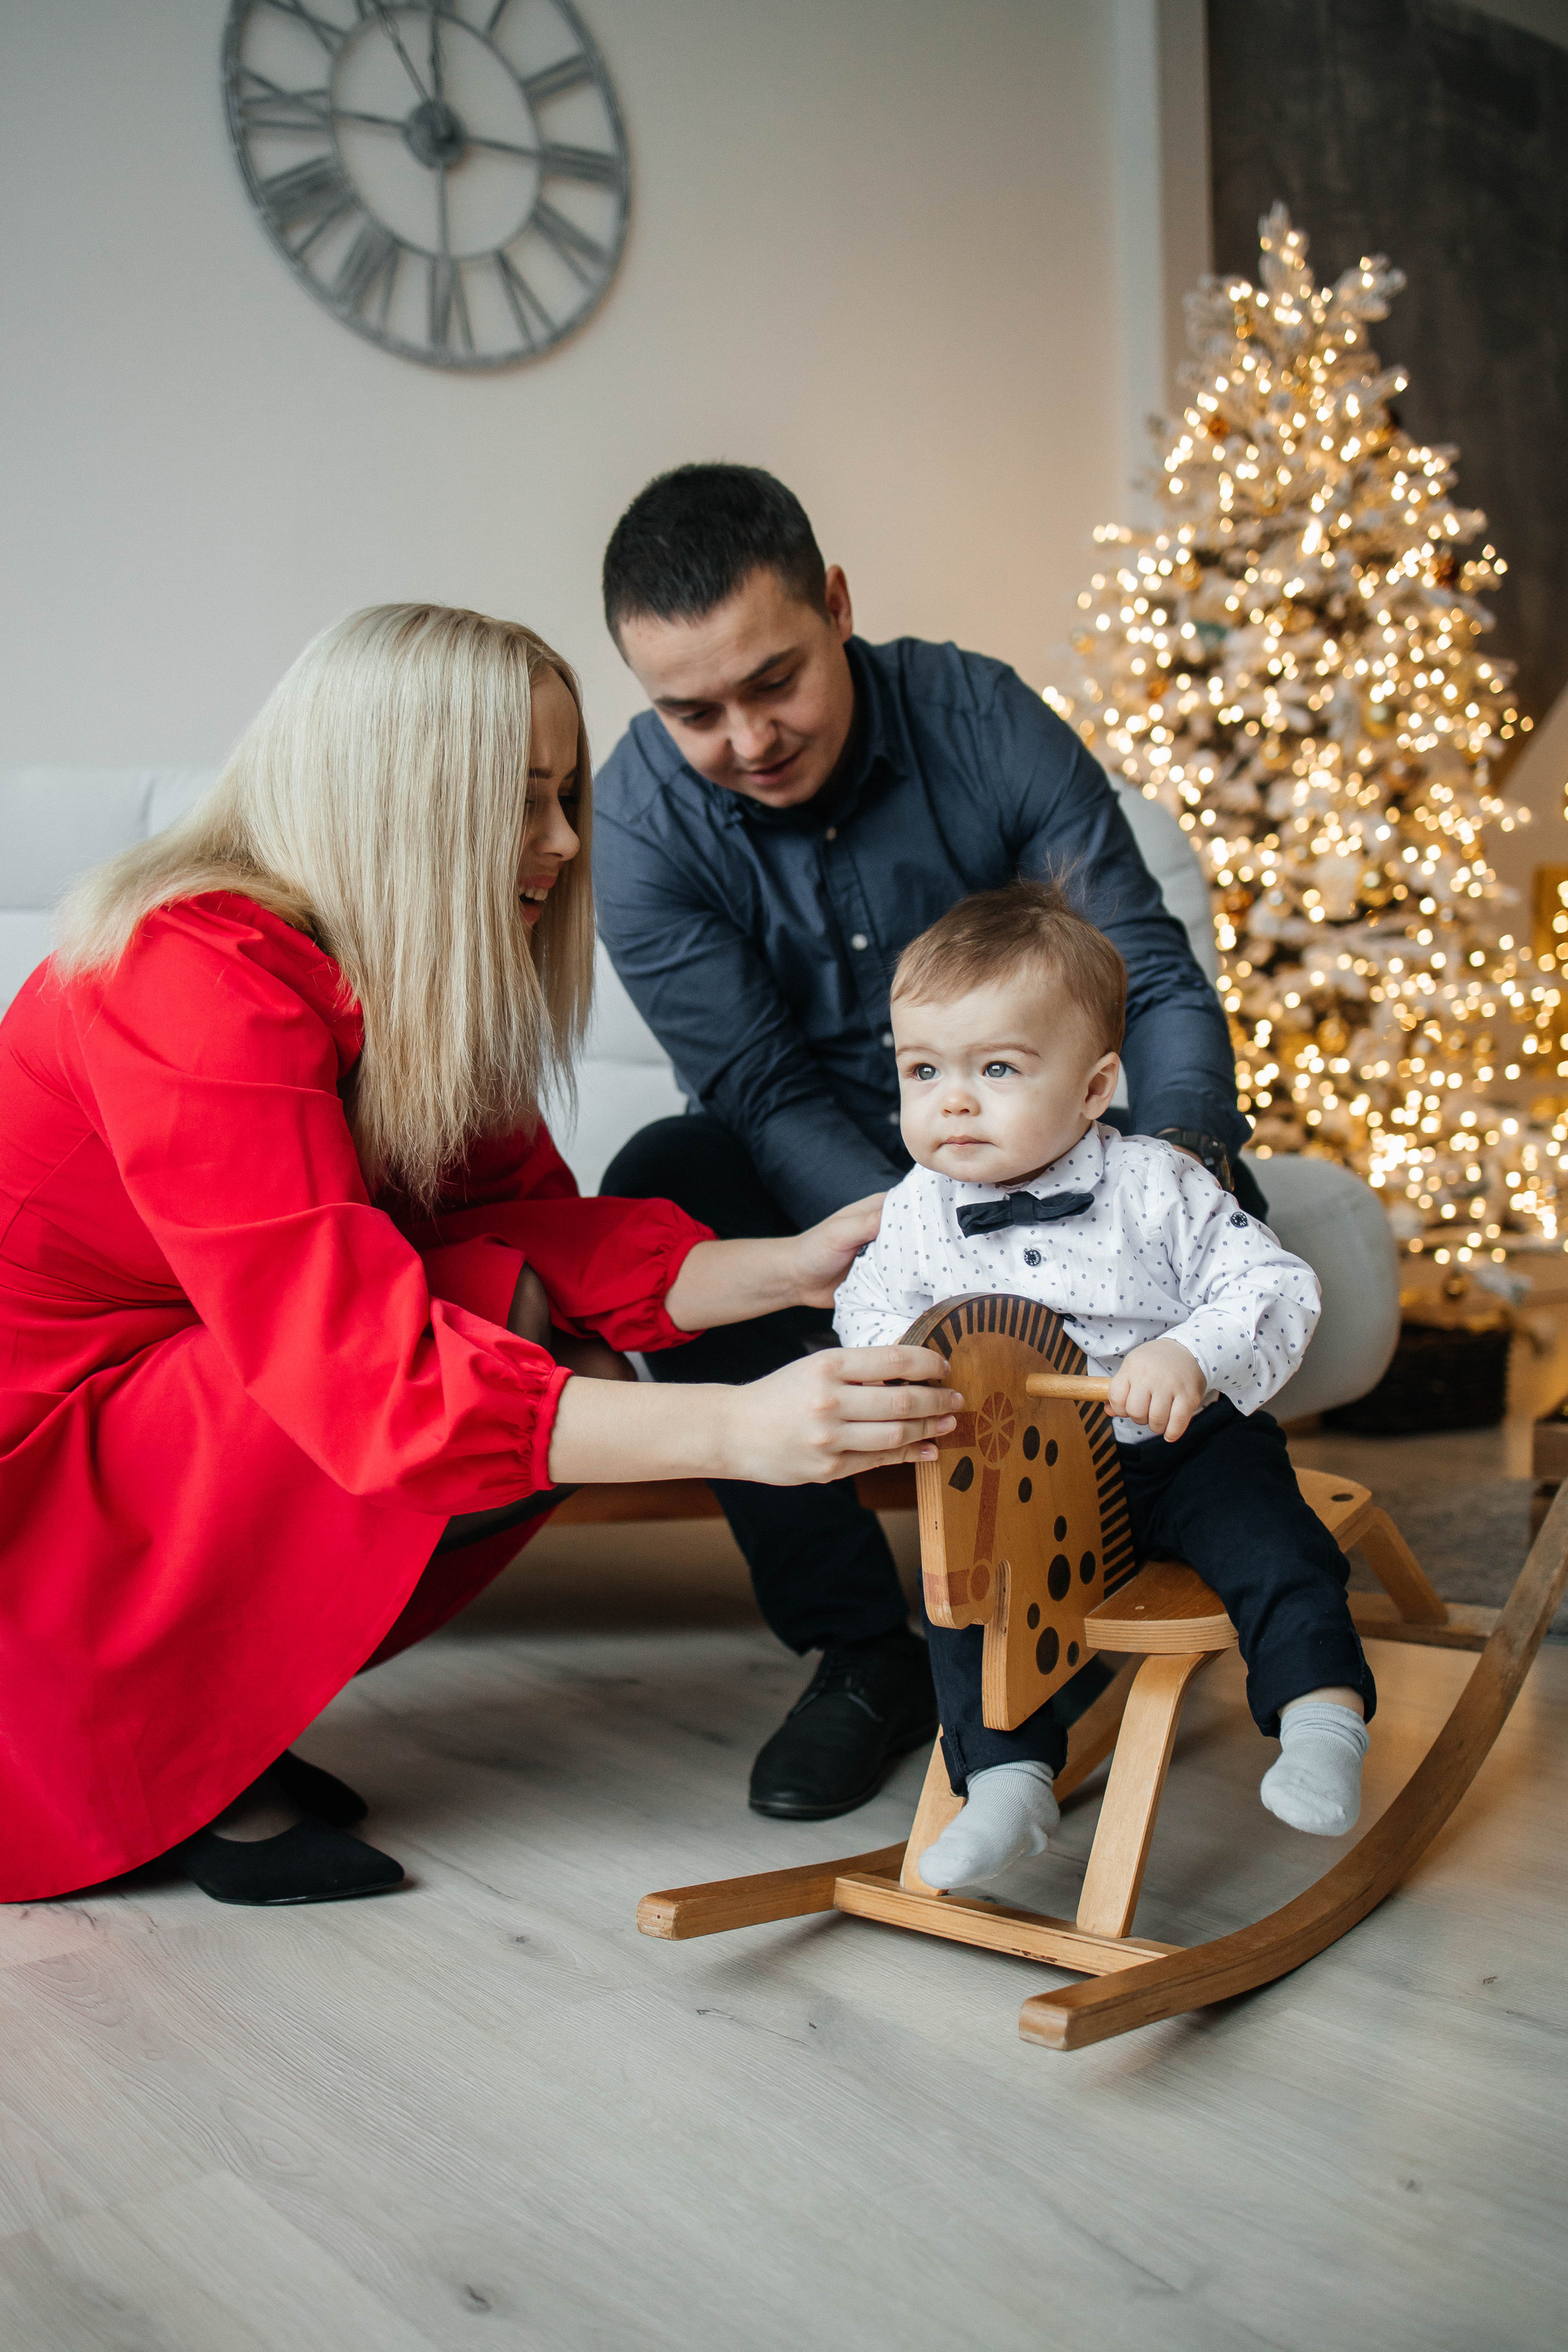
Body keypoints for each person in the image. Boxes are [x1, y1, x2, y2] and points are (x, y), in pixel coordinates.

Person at [0, 603, 962, 1910]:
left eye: (563, 797)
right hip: (42, 1471)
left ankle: (207, 1731)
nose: (565, 844)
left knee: (527, 1328)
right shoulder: (191, 973)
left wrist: (792, 1267)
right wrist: (737, 1427)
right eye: (522, 803)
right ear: (399, 804)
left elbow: (516, 1227)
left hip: (159, 1414)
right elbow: (351, 1368)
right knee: (455, 1358)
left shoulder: (406, 974)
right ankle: (160, 1748)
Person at [594, 462, 1260, 1823]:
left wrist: (1171, 1165)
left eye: (772, 680)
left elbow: (1145, 967)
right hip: (836, 1180)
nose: (744, 737)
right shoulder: (637, 820)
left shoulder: (979, 716)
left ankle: (1110, 1593)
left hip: (1065, 1148)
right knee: (663, 1187)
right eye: (691, 711)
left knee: (1203, 1201)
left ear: (836, 606)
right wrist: (950, 1265)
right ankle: (861, 1655)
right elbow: (764, 1091)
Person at [834, 880, 1374, 1889]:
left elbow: (1270, 1282)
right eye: (923, 1069)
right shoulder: (916, 1211)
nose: (952, 1098)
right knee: (964, 1602)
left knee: (1271, 1543)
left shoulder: (1155, 1185)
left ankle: (1320, 1715)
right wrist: (910, 1363)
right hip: (1029, 1472)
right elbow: (865, 1312)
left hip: (1181, 1444)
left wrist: (1192, 1355)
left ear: (1091, 1090)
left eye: (996, 1068)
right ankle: (1005, 1783)